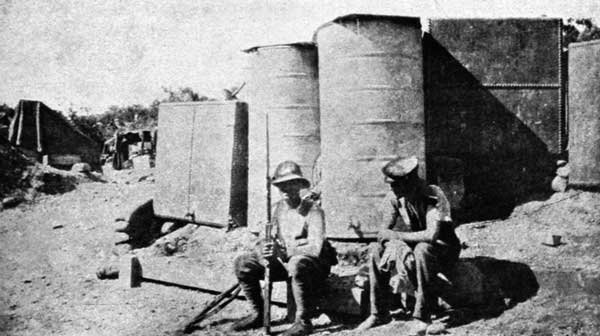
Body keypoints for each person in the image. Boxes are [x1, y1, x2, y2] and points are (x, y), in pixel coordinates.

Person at [356, 155, 461, 334]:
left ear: (409, 181)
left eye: (396, 184)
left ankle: (422, 316)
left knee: (422, 249)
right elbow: (383, 233)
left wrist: (396, 236)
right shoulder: (395, 196)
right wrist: (395, 245)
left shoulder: (432, 193)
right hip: (415, 244)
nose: (392, 188)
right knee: (375, 250)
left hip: (443, 248)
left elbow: (431, 235)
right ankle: (379, 312)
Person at [231, 161, 336, 336]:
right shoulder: (277, 209)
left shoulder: (313, 211)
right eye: (282, 186)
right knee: (243, 262)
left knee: (296, 263)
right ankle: (258, 313)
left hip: (312, 268)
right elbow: (266, 237)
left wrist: (285, 252)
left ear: (300, 185)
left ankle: (303, 322)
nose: (286, 189)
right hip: (284, 263)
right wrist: (264, 250)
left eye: (291, 184)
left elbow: (315, 248)